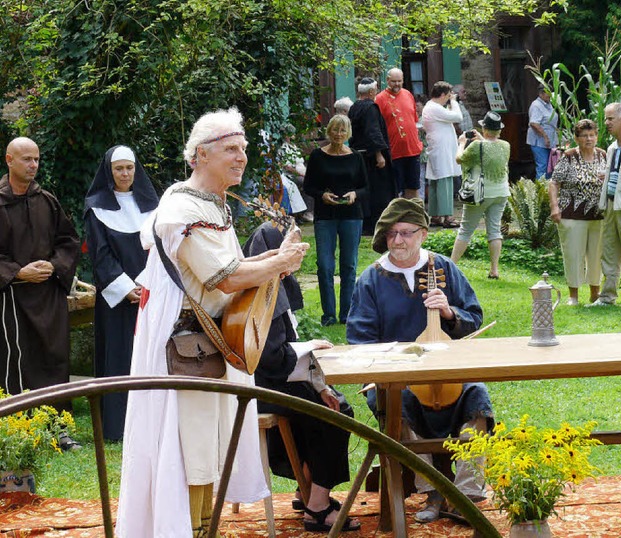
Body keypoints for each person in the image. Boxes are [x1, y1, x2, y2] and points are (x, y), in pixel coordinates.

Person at [116, 108, 310, 537]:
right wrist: (278, 263)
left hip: (209, 344)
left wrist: (275, 259)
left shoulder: (211, 203)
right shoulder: (183, 208)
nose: (241, 157)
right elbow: (224, 278)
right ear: (201, 155)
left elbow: (233, 266)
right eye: (230, 149)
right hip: (187, 348)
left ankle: (203, 530)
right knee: (190, 451)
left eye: (243, 149)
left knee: (206, 450)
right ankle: (183, 530)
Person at [346, 197, 493, 524]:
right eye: (391, 234)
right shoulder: (371, 280)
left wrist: (448, 312)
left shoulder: (444, 268)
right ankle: (433, 491)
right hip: (395, 375)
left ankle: (467, 493)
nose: (398, 240)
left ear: (423, 234)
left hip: (448, 371)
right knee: (400, 401)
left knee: (477, 397)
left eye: (406, 233)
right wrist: (395, 361)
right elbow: (359, 340)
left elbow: (474, 318)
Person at [244, 223, 360, 532]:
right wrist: (310, 352)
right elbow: (270, 357)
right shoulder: (260, 293)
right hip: (258, 385)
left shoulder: (271, 284)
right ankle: (318, 506)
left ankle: (306, 488)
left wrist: (319, 383)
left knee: (328, 398)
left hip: (272, 378)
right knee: (336, 412)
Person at [0, 137, 80, 450]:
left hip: (49, 298)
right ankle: (18, 431)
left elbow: (69, 242)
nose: (33, 165)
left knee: (55, 359)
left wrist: (52, 264)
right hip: (12, 299)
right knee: (16, 361)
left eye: (36, 159)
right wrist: (17, 272)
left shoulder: (47, 200)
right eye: (26, 159)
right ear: (9, 159)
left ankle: (59, 429)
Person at [84, 145, 159, 441]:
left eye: (129, 168)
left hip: (151, 292)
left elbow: (160, 248)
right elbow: (100, 256)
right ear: (109, 171)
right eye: (119, 169)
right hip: (118, 298)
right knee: (119, 356)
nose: (125, 173)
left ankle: (150, 422)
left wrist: (150, 284)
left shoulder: (152, 204)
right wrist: (128, 289)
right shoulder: (96, 207)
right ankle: (117, 426)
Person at [303, 114, 368, 326]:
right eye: (335, 130)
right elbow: (308, 186)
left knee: (349, 265)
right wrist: (322, 195)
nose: (338, 135)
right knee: (325, 265)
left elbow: (366, 187)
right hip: (325, 216)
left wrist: (354, 194)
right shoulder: (317, 156)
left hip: (351, 215)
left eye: (342, 131)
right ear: (329, 131)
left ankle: (346, 314)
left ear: (348, 133)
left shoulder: (356, 157)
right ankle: (328, 314)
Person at [549, 119, 606, 306]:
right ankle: (573, 294)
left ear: (597, 136)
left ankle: (595, 293)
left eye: (592, 135)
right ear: (576, 138)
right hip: (572, 215)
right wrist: (554, 207)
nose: (589, 139)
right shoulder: (569, 156)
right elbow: (554, 182)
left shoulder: (603, 155)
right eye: (584, 136)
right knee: (573, 254)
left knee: (596, 255)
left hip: (599, 216)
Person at [588, 103, 621, 308]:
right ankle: (607, 297)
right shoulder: (612, 147)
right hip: (610, 205)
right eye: (606, 118)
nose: (606, 123)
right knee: (609, 253)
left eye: (610, 119)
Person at [451, 112, 511, 280]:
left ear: (484, 129)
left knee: (465, 230)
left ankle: (451, 265)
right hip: (501, 192)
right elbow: (490, 151)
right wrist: (481, 140)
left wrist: (462, 143)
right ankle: (494, 269)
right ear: (499, 130)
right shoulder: (505, 145)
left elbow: (459, 159)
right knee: (494, 230)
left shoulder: (477, 146)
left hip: (480, 194)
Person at [348, 76, 396, 235]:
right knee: (378, 191)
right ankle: (377, 224)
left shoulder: (354, 107)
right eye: (375, 90)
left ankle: (366, 224)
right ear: (370, 91)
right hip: (371, 158)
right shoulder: (370, 108)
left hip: (359, 156)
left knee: (365, 189)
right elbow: (372, 132)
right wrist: (379, 155)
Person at [375, 68, 423, 199]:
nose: (397, 84)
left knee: (413, 187)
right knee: (395, 190)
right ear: (387, 80)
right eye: (393, 81)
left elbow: (414, 120)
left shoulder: (408, 94)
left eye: (399, 81)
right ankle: (397, 218)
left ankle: (412, 217)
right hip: (393, 152)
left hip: (412, 150)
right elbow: (377, 127)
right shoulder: (379, 99)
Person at [422, 81, 463, 228]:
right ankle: (447, 217)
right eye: (448, 96)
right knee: (444, 182)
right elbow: (458, 117)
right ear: (443, 95)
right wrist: (454, 102)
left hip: (438, 149)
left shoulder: (431, 107)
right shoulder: (434, 108)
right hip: (441, 150)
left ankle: (435, 216)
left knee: (435, 182)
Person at [527, 85, 558, 180]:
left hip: (550, 142)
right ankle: (541, 192)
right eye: (548, 92)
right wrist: (545, 137)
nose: (550, 95)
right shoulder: (536, 105)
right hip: (540, 142)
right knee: (543, 166)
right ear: (541, 93)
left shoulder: (548, 104)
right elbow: (534, 123)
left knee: (550, 167)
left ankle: (548, 190)